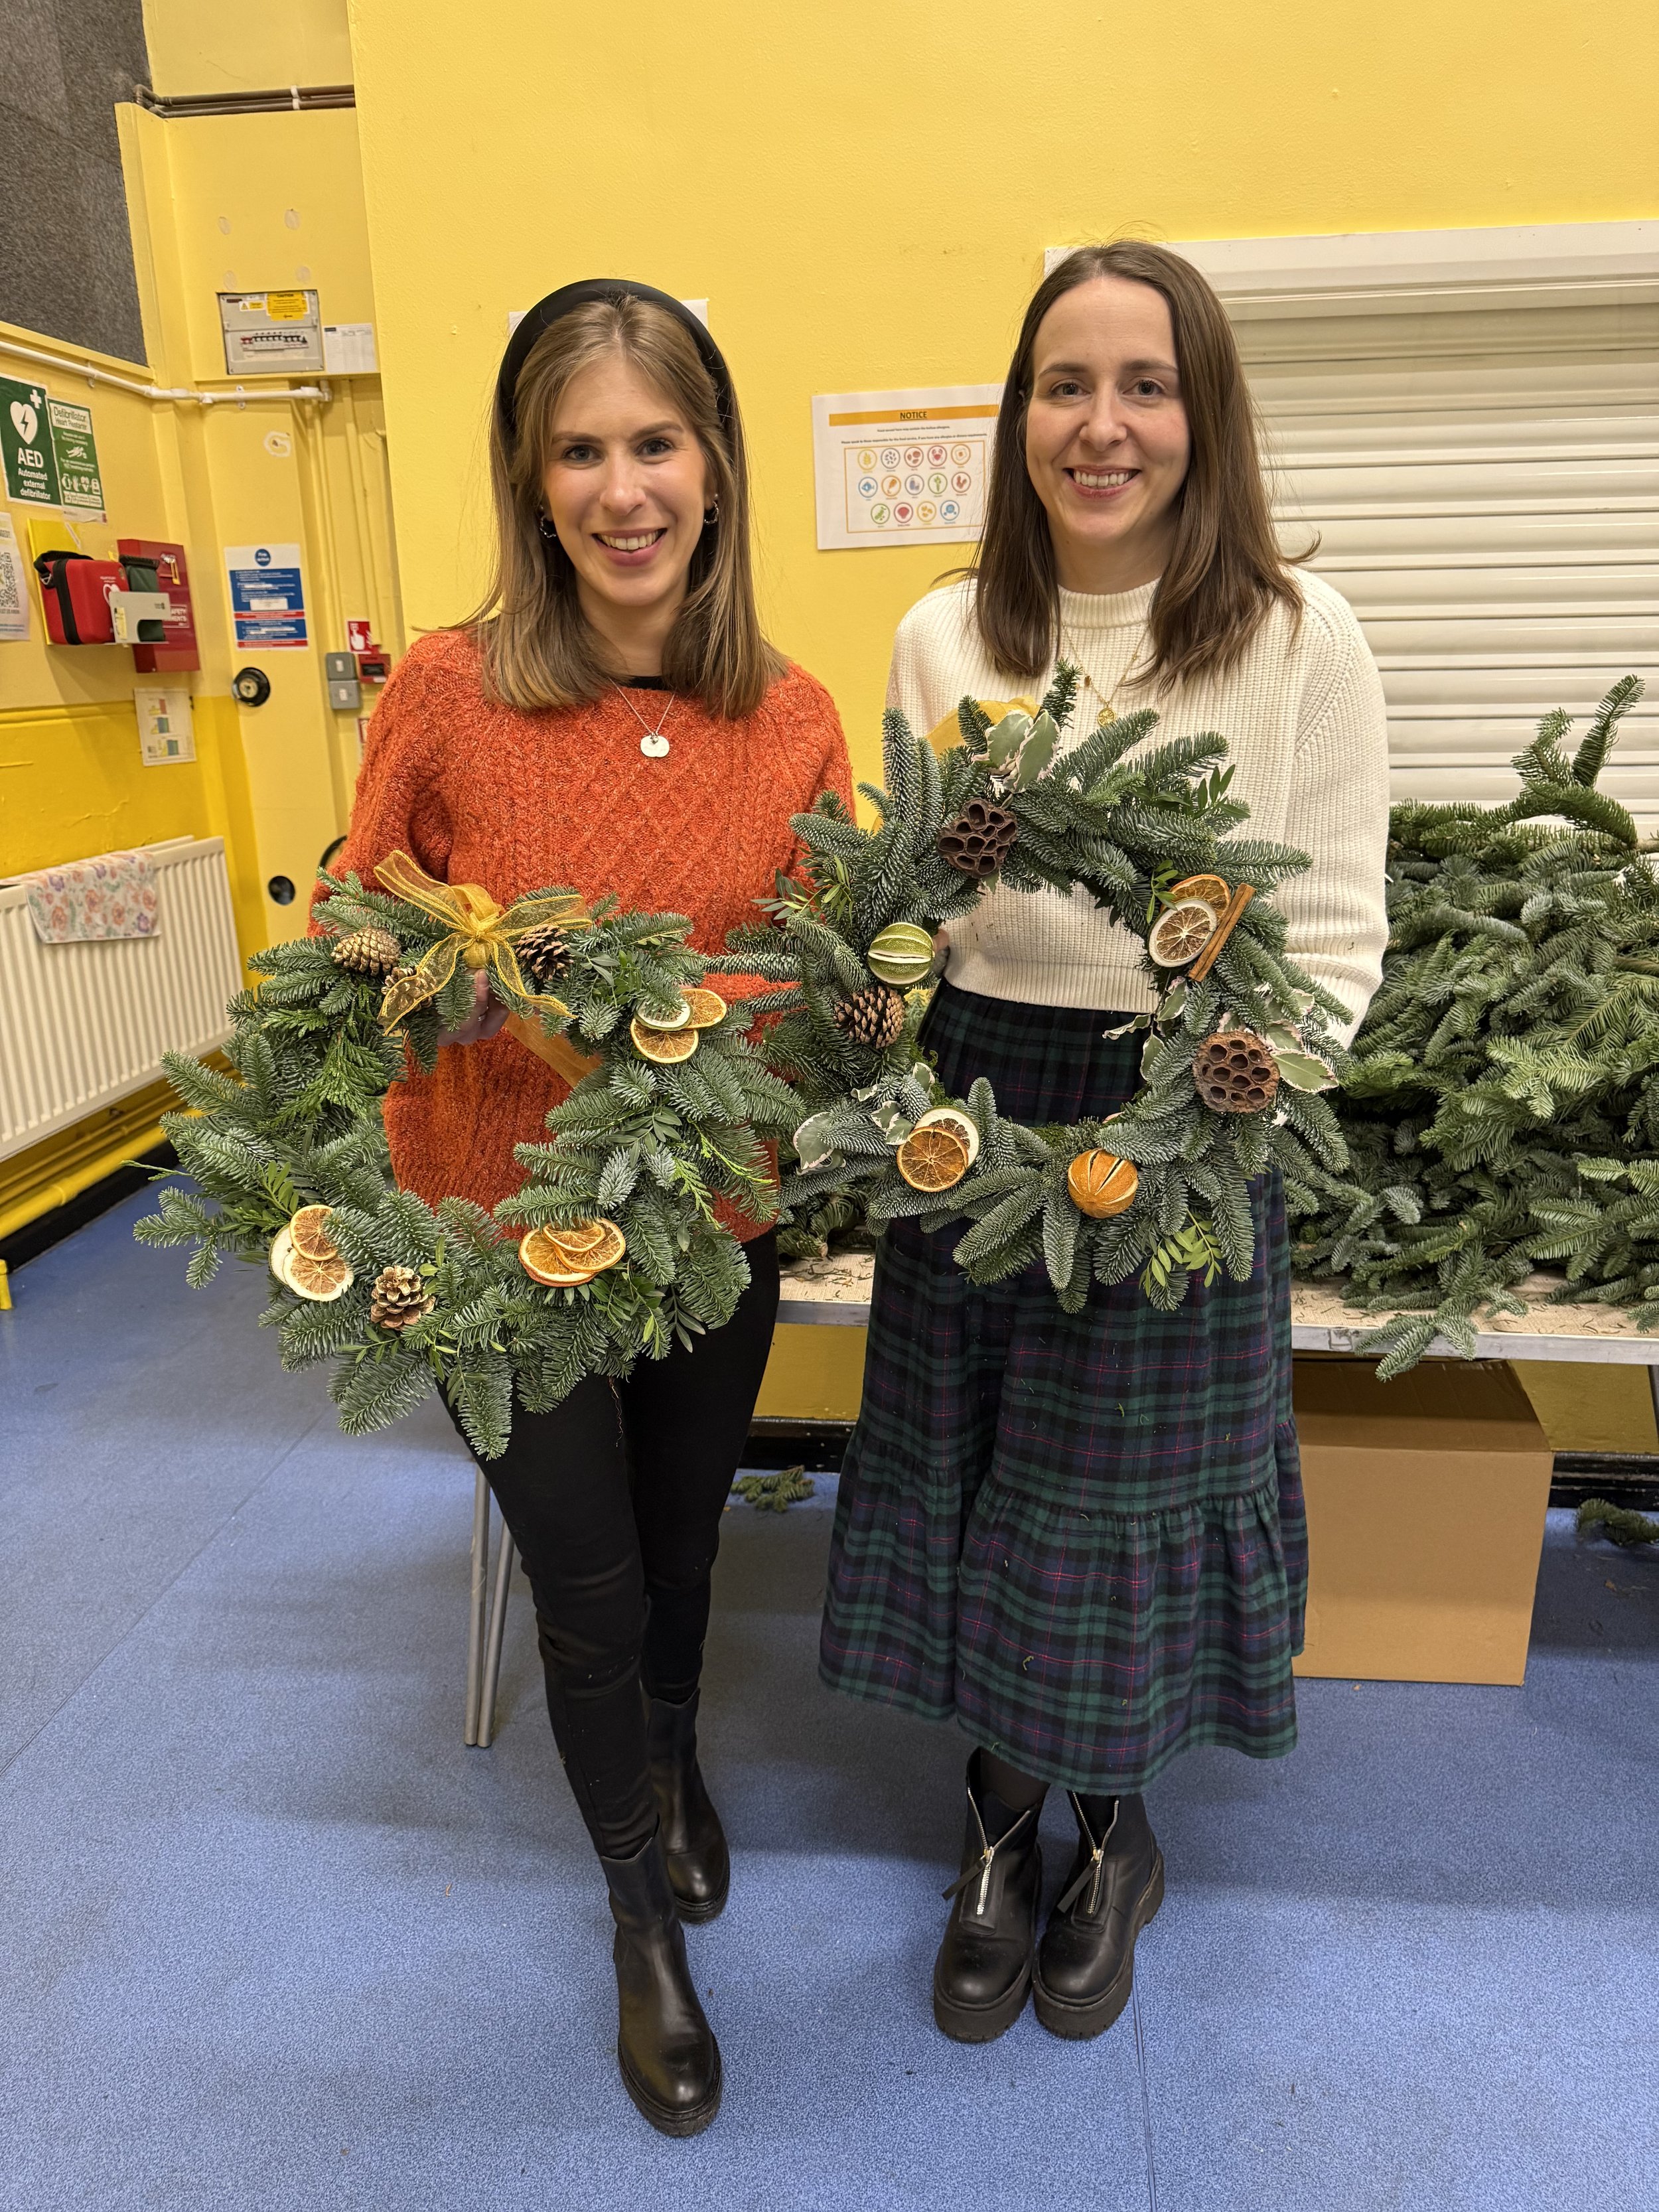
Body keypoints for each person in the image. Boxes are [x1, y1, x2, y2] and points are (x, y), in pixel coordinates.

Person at [821, 242, 1390, 2045]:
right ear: (1018, 417)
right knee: (988, 1484)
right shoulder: (943, 635)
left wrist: (1212, 1121)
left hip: (1193, 1105)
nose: (1100, 424)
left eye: (1142, 385)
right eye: (1063, 385)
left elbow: (1340, 942)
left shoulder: (1299, 635)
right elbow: (914, 900)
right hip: (978, 1111)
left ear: (1199, 412)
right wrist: (871, 1038)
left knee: (1106, 1517)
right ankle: (997, 1832)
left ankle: (1112, 1836)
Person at [332, 281, 852, 2135]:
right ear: (530, 479)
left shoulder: (787, 717)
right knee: (585, 1586)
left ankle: (673, 1761)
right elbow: (355, 902)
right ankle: (641, 1923)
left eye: (654, 442)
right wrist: (429, 967)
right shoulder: (450, 692)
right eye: (580, 450)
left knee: (686, 1546)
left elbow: (817, 959)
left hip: (711, 1216)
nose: (622, 489)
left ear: (710, 464)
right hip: (492, 1233)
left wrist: (752, 1031)